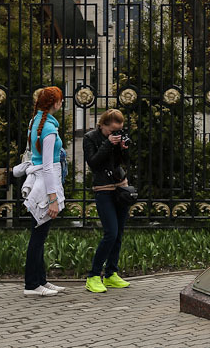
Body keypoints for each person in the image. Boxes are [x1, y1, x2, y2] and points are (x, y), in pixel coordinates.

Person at [83, 108, 132, 293]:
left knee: (118, 233)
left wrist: (123, 148)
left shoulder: (118, 137)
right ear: (102, 125)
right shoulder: (90, 138)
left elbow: (125, 162)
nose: (116, 134)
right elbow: (93, 163)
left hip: (120, 188)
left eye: (118, 130)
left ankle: (111, 273)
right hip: (103, 189)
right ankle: (93, 276)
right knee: (110, 232)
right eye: (112, 131)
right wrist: (107, 143)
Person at [23, 86, 66, 297]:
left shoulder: (37, 122)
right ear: (55, 104)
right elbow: (48, 166)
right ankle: (32, 284)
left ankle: (40, 280)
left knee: (39, 234)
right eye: (60, 100)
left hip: (40, 182)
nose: (62, 103)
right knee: (38, 236)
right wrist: (53, 199)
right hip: (45, 186)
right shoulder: (48, 128)